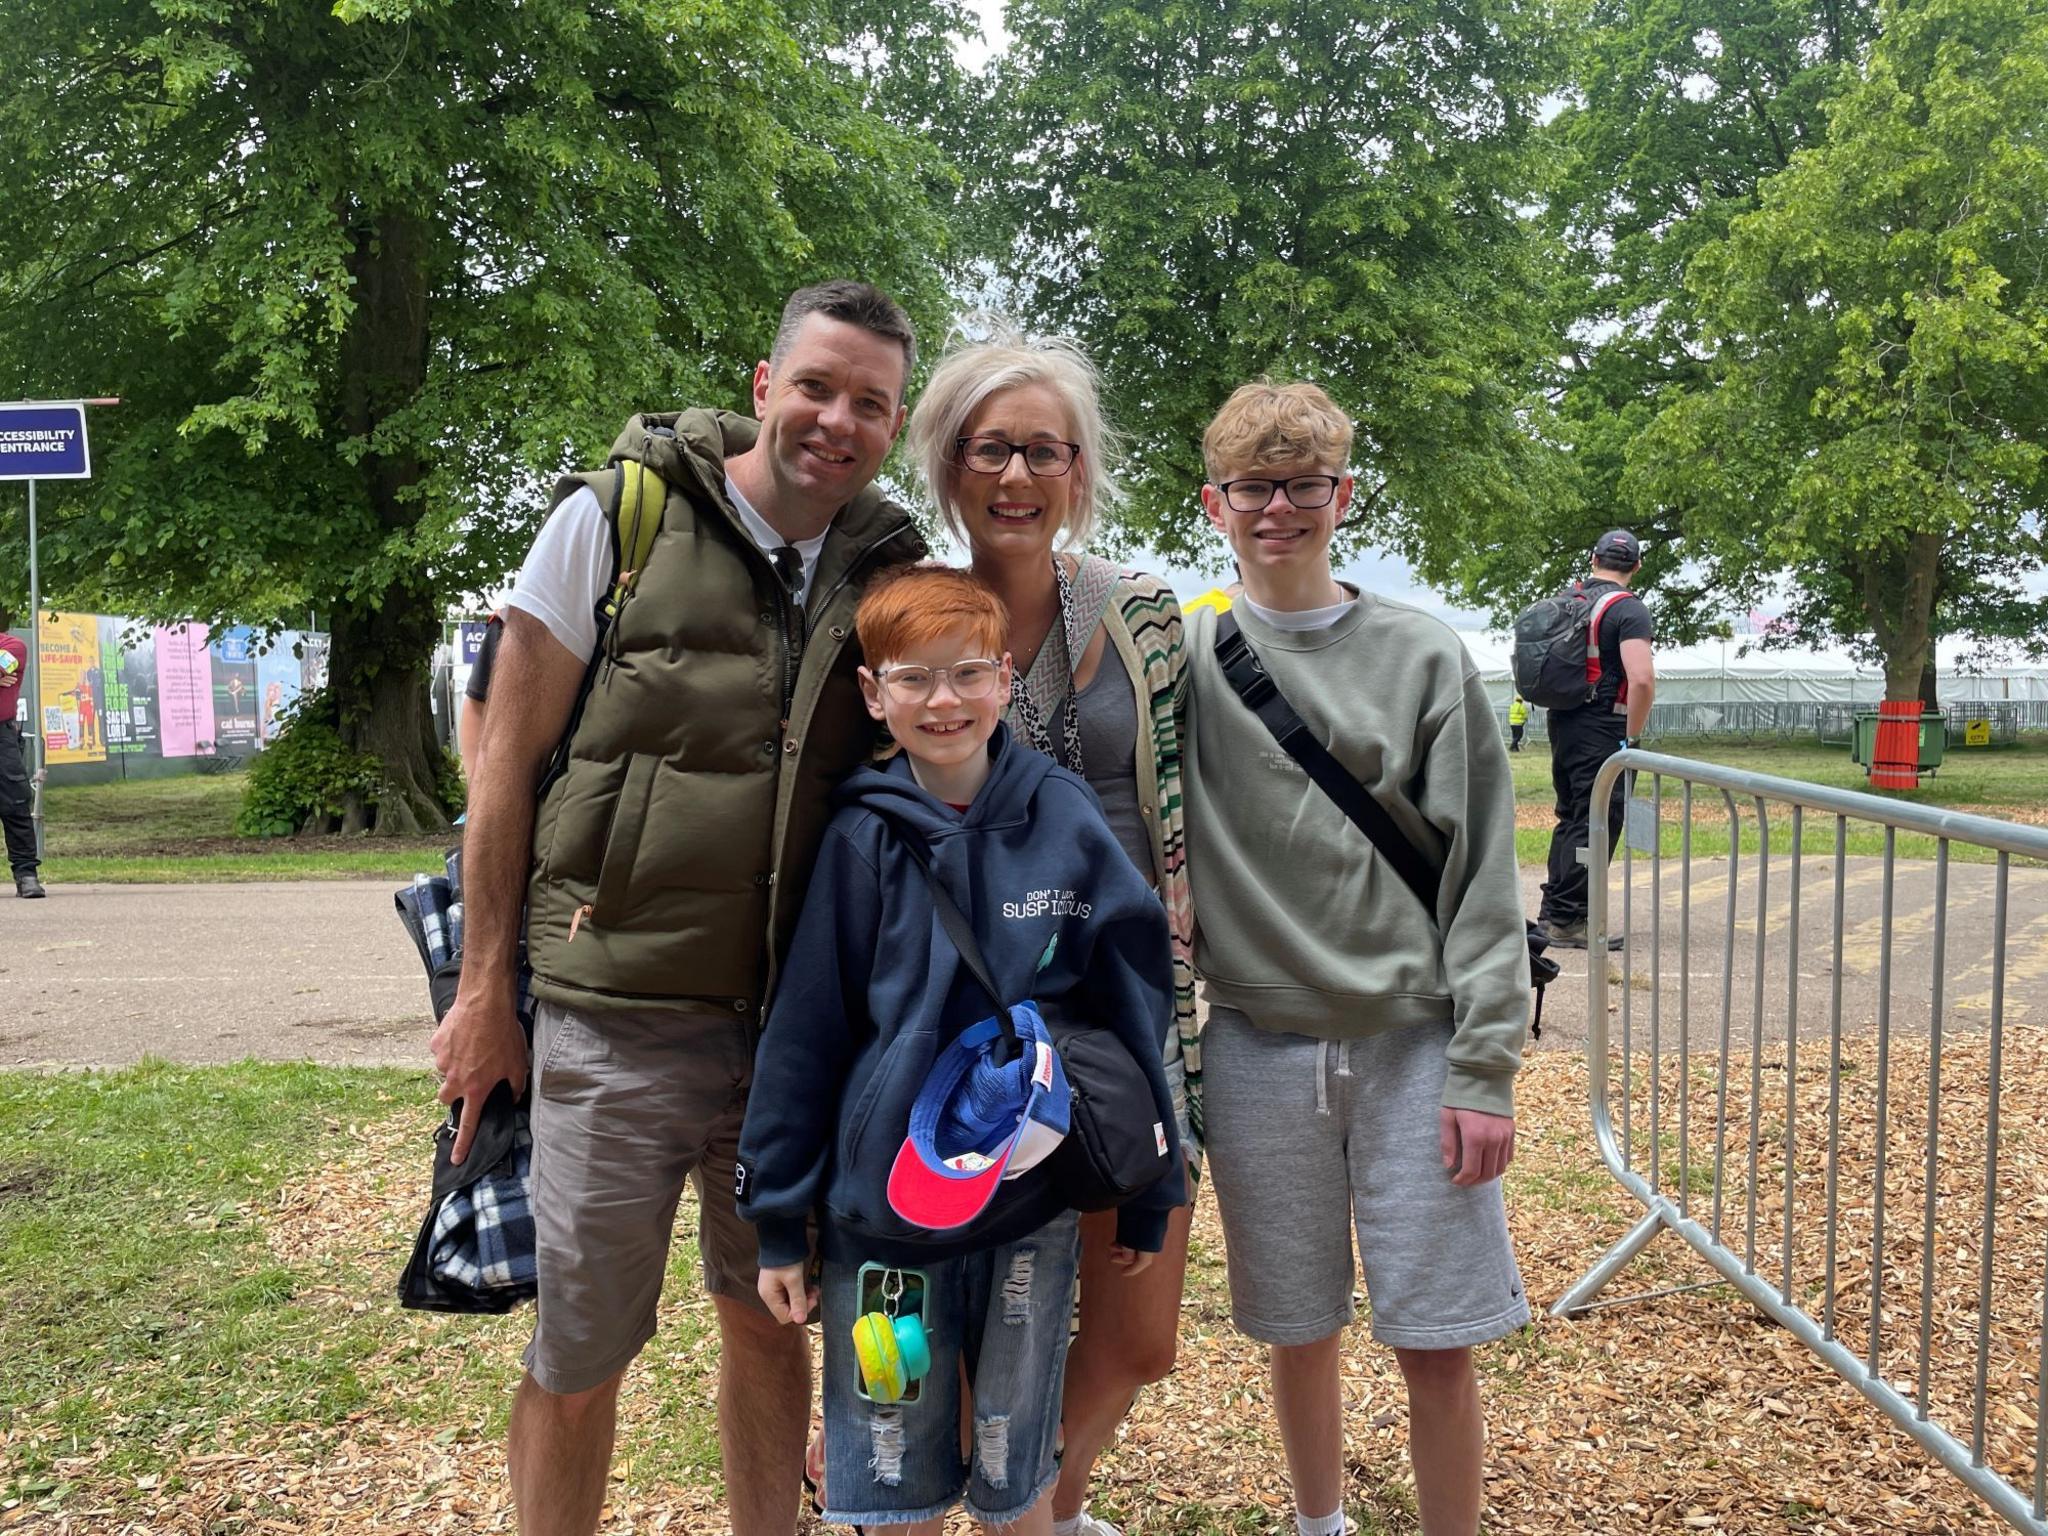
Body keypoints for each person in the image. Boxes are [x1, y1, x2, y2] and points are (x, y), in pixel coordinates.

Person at [429, 279, 927, 1536]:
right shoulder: (620, 517)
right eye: (815, 385)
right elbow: (504, 769)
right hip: (615, 1021)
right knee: (580, 1351)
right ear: (764, 387)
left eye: (868, 402)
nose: (836, 418)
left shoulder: (886, 568)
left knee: (773, 1325)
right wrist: (488, 991)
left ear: (893, 423)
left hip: (796, 1044)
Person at [737, 564, 1185, 1535]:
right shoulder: (860, 839)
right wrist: (779, 1219)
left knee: (1014, 1467)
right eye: (913, 679)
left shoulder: (1064, 820)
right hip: (884, 1235)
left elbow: (1130, 998)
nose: (942, 701)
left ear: (1005, 676)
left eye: (968, 674)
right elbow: (807, 1030)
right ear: (873, 693)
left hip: (1029, 1213)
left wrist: (1151, 1186)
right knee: (888, 1463)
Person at [1181, 381, 1531, 1536]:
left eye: (1302, 487)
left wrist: (1484, 1067)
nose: (1277, 509)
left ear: (1342, 496)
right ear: (1213, 504)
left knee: (1434, 1336)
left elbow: (1480, 873)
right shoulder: (1183, 654)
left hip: (1411, 1041)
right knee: (1295, 1324)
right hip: (1256, 1041)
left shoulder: (1422, 658)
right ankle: (1315, 1520)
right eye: (1252, 489)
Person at [902, 328, 1198, 1536]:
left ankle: (1039, 1504)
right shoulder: (913, 618)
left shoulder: (1140, 613)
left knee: (1138, 1332)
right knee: (982, 1311)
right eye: (988, 450)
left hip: (1131, 1013)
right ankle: (1010, 1510)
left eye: (1041, 450)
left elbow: (1193, 802)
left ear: (1078, 470)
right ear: (946, 465)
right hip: (970, 1027)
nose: (1014, 477)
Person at [1535, 528, 1655, 951]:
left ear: (1593, 560)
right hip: (1603, 727)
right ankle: (1568, 918)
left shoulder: (1571, 601)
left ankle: (1555, 913)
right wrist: (1632, 736)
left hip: (1563, 720)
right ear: (1637, 566)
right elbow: (1640, 678)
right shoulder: (1629, 610)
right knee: (1601, 818)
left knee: (1572, 815)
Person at [0, 604, 43, 898]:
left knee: (14, 803)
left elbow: (6, 665)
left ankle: (26, 873)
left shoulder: (14, 647)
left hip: (2, 734)